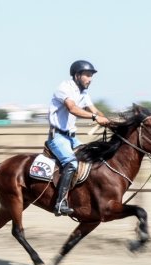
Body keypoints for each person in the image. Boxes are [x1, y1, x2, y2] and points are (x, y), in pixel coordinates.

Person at [47, 60, 110, 216]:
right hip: (58, 137)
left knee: (91, 159)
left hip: (72, 138)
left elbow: (95, 110)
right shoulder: (64, 88)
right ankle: (60, 203)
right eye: (87, 75)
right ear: (77, 75)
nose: (90, 79)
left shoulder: (84, 94)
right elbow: (73, 108)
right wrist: (95, 117)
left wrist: (110, 122)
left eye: (91, 76)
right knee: (72, 163)